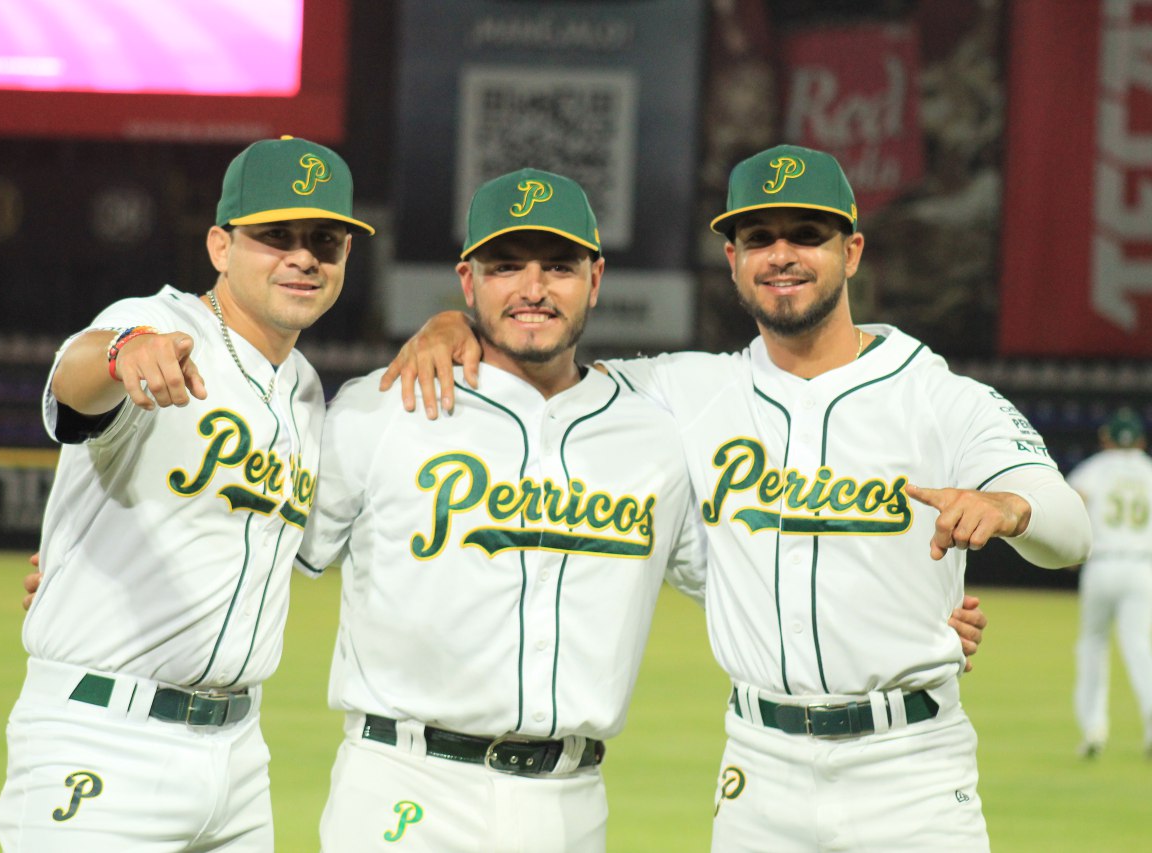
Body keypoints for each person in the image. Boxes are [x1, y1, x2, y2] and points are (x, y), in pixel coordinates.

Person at [382, 144, 1090, 852]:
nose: (782, 254)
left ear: (853, 251)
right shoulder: (682, 391)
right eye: (759, 238)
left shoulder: (938, 395)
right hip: (760, 769)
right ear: (732, 259)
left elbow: (1069, 527)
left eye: (807, 235)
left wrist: (1010, 509)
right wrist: (455, 324)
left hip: (911, 766)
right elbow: (538, 358)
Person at [296, 168, 707, 852]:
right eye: (506, 266)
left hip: (569, 803)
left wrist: (925, 609)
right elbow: (257, 542)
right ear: (468, 281)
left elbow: (756, 581)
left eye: (560, 267)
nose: (533, 289)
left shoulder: (654, 437)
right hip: (404, 785)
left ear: (596, 279)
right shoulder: (382, 407)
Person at [0, 135, 374, 851]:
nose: (303, 256)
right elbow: (76, 382)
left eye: (325, 240)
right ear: (220, 247)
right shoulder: (161, 323)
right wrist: (120, 351)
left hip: (237, 759)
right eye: (274, 236)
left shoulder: (304, 393)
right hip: (103, 737)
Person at [1067, 407, 1152, 759]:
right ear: (1141, 440)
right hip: (1141, 567)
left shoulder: (1093, 469)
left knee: (1092, 645)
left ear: (1106, 439)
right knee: (1139, 648)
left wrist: (1069, 552)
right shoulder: (1148, 470)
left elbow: (1072, 505)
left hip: (1100, 565)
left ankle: (1093, 730)